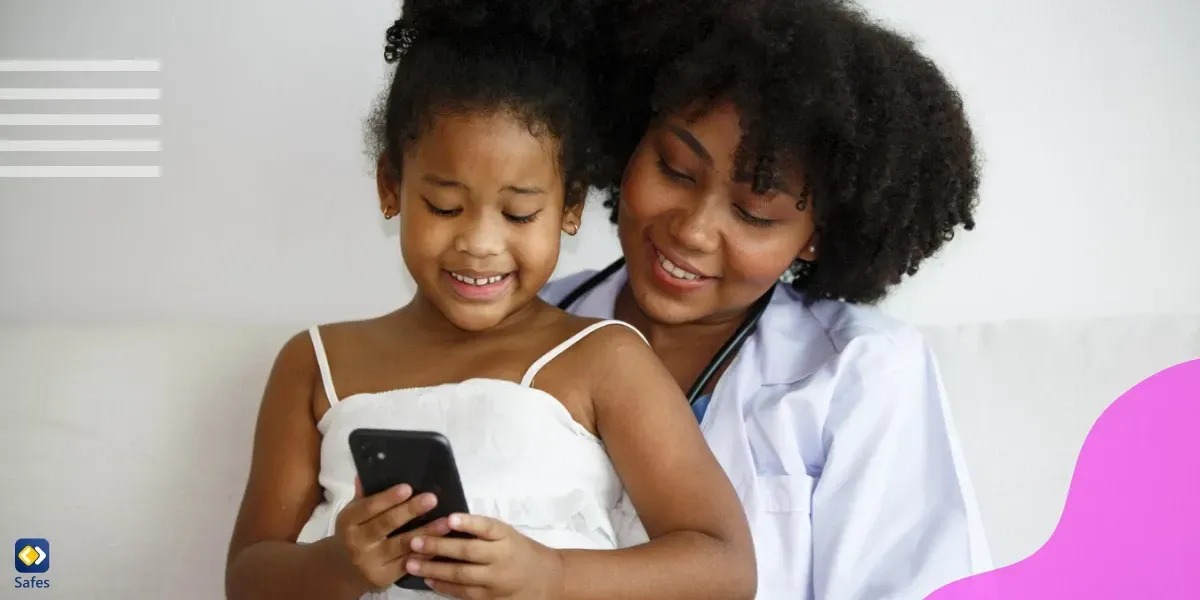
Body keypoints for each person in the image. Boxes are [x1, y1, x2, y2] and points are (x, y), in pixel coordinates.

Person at [223, 1, 757, 599]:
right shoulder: (314, 362)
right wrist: (338, 565)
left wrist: (552, 576)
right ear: (390, 186)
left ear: (571, 206)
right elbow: (248, 579)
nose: (479, 243)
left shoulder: (605, 359)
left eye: (519, 212)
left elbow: (724, 567)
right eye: (445, 207)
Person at [541, 0, 993, 598]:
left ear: (816, 238)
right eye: (675, 170)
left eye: (755, 214)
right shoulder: (523, 321)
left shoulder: (859, 374)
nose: (693, 231)